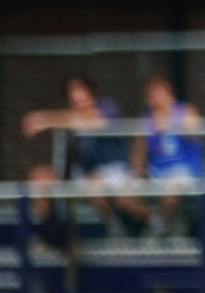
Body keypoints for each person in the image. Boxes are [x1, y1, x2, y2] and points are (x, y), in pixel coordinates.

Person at [19, 75, 146, 232]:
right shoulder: (70, 117)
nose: (78, 99)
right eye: (73, 96)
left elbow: (92, 121)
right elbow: (75, 122)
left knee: (121, 199)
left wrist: (44, 119)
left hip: (115, 170)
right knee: (39, 178)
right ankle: (48, 236)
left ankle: (152, 223)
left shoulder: (108, 107)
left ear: (91, 93)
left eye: (81, 93)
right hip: (85, 174)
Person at [133, 75, 205, 235]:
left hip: (184, 170)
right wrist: (138, 173)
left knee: (172, 189)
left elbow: (197, 135)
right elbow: (138, 153)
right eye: (151, 96)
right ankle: (157, 222)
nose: (155, 99)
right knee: (124, 195)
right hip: (157, 171)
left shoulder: (185, 111)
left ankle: (160, 230)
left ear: (169, 93)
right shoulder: (146, 119)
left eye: (159, 94)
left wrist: (173, 124)